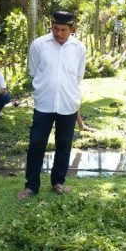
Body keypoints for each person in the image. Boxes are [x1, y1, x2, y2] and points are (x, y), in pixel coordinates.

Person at [17, 11, 86, 199]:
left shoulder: (79, 48)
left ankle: (58, 182)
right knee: (36, 144)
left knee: (64, 145)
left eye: (63, 30)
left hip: (68, 104)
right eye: (55, 29)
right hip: (44, 103)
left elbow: (78, 76)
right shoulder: (39, 45)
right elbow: (33, 71)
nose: (59, 33)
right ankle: (31, 186)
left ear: (72, 29)